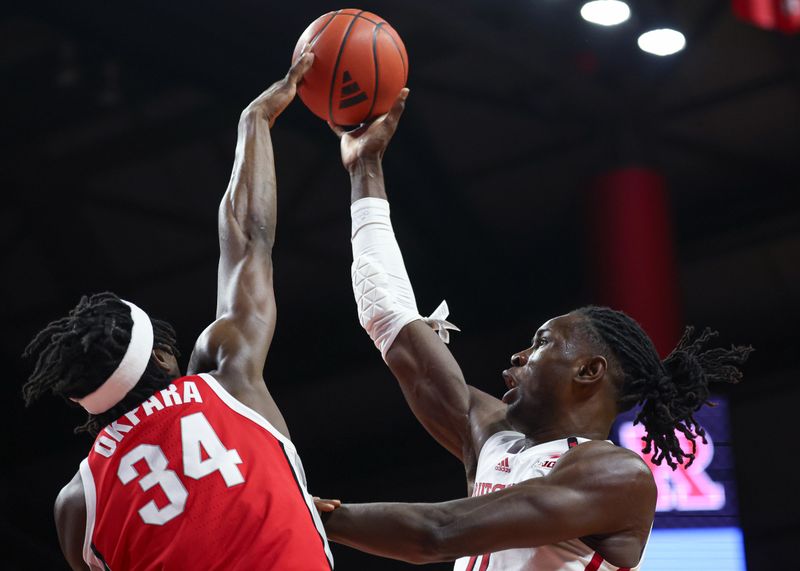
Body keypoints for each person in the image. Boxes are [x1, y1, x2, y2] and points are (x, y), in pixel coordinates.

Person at [316, 88, 752, 570]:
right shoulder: (494, 437)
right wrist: (365, 168)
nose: (518, 356)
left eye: (541, 343)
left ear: (589, 370)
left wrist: (312, 512)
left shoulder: (616, 473)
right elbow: (389, 316)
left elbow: (437, 534)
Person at [21, 51, 334, 571]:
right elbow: (249, 239)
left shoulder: (76, 506)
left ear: (84, 402)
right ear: (162, 356)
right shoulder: (227, 379)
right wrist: (255, 120)